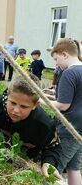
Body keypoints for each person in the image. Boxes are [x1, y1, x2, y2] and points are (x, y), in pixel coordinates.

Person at [0, 74, 62, 179]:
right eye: (13, 103)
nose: (15, 110)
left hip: (25, 167)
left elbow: (54, 147)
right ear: (7, 95)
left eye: (23, 106)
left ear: (35, 105)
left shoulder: (44, 124)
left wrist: (48, 162)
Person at [47, 38, 82, 185]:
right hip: (80, 128)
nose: (56, 64)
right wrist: (50, 95)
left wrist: (42, 101)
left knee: (54, 168)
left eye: (56, 59)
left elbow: (63, 105)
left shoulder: (68, 73)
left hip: (69, 128)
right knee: (73, 168)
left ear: (65, 54)